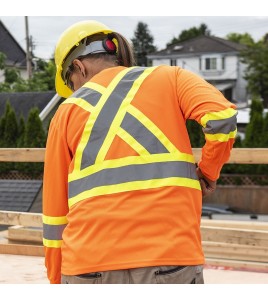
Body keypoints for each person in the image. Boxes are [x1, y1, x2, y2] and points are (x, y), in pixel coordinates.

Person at [43, 20, 237, 284]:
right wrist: (208, 172)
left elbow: (55, 213)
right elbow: (222, 118)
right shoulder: (171, 77)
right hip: (170, 258)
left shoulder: (65, 113)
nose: (75, 91)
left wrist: (55, 281)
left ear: (79, 66)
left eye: (71, 81)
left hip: (88, 265)